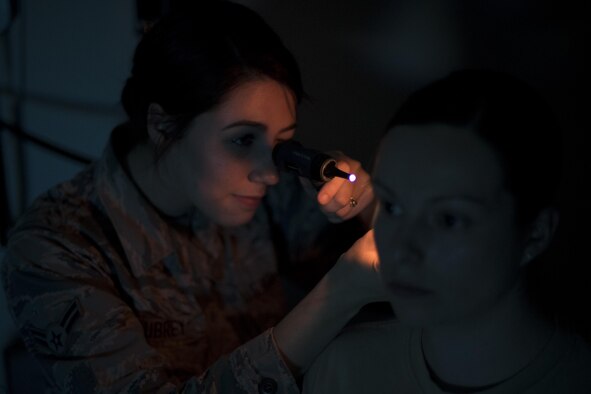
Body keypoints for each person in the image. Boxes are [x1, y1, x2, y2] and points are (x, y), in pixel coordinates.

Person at [0, 2, 385, 392]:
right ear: (163, 126)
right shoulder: (53, 249)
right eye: (242, 139)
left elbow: (405, 263)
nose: (269, 173)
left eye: (281, 144)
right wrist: (334, 298)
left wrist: (367, 204)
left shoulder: (270, 193)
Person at [303, 69, 591, 393]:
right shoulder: (342, 371)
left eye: (449, 219)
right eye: (392, 207)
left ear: (535, 234)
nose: (400, 250)